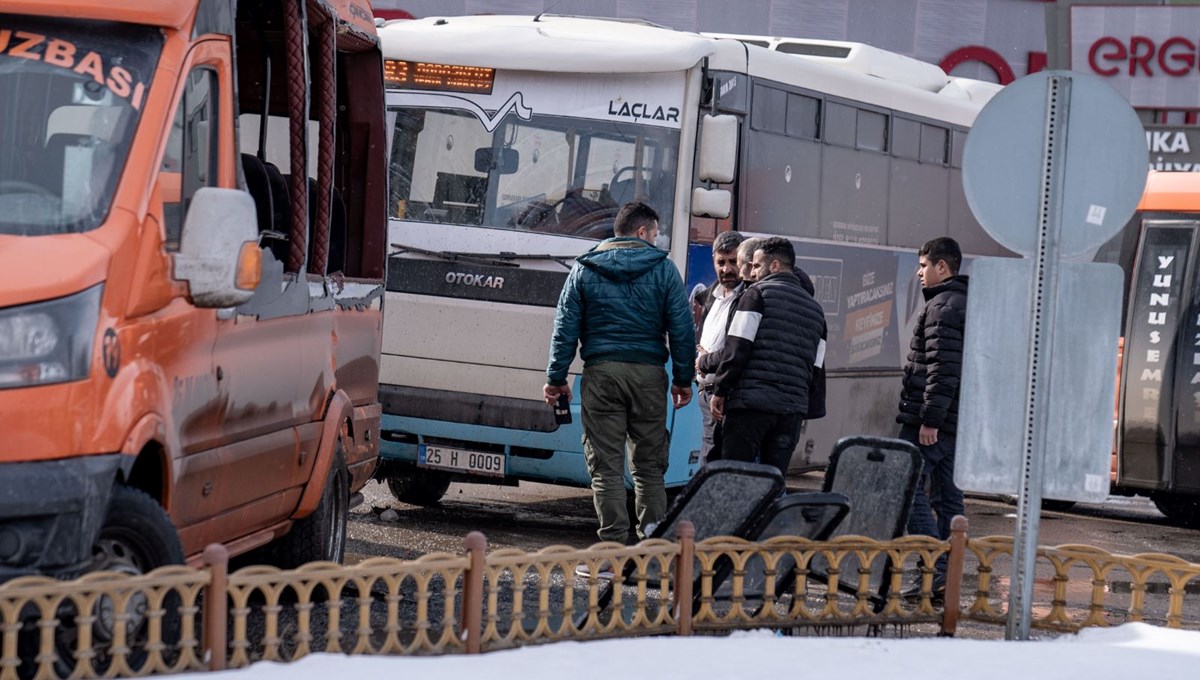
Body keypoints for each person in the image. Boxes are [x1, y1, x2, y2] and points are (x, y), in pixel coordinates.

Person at [544, 201, 695, 558]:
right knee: (648, 466)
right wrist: (683, 379)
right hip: (648, 376)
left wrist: (556, 377)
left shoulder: (584, 268)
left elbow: (565, 328)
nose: (656, 241)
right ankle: (653, 550)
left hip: (602, 374)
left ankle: (612, 547)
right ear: (642, 232)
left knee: (606, 465)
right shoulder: (664, 270)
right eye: (655, 234)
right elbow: (683, 329)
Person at [707, 237, 827, 476]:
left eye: (757, 266)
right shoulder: (816, 311)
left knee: (733, 478)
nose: (752, 272)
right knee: (771, 482)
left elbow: (737, 348)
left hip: (750, 407)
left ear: (774, 266)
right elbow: (816, 368)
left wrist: (720, 390)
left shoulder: (756, 294)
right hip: (790, 414)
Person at [897, 236, 969, 600]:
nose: (919, 273)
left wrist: (930, 420)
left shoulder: (942, 306)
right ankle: (946, 575)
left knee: (909, 488)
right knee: (948, 498)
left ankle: (933, 567)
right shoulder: (961, 302)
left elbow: (942, 371)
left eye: (924, 266)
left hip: (934, 422)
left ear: (943, 267)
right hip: (953, 421)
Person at [692, 230, 746, 464]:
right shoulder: (711, 295)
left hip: (730, 396)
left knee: (722, 467)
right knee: (711, 464)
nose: (727, 269)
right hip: (707, 394)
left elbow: (739, 349)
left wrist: (707, 360)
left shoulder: (749, 297)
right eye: (721, 262)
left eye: (733, 262)